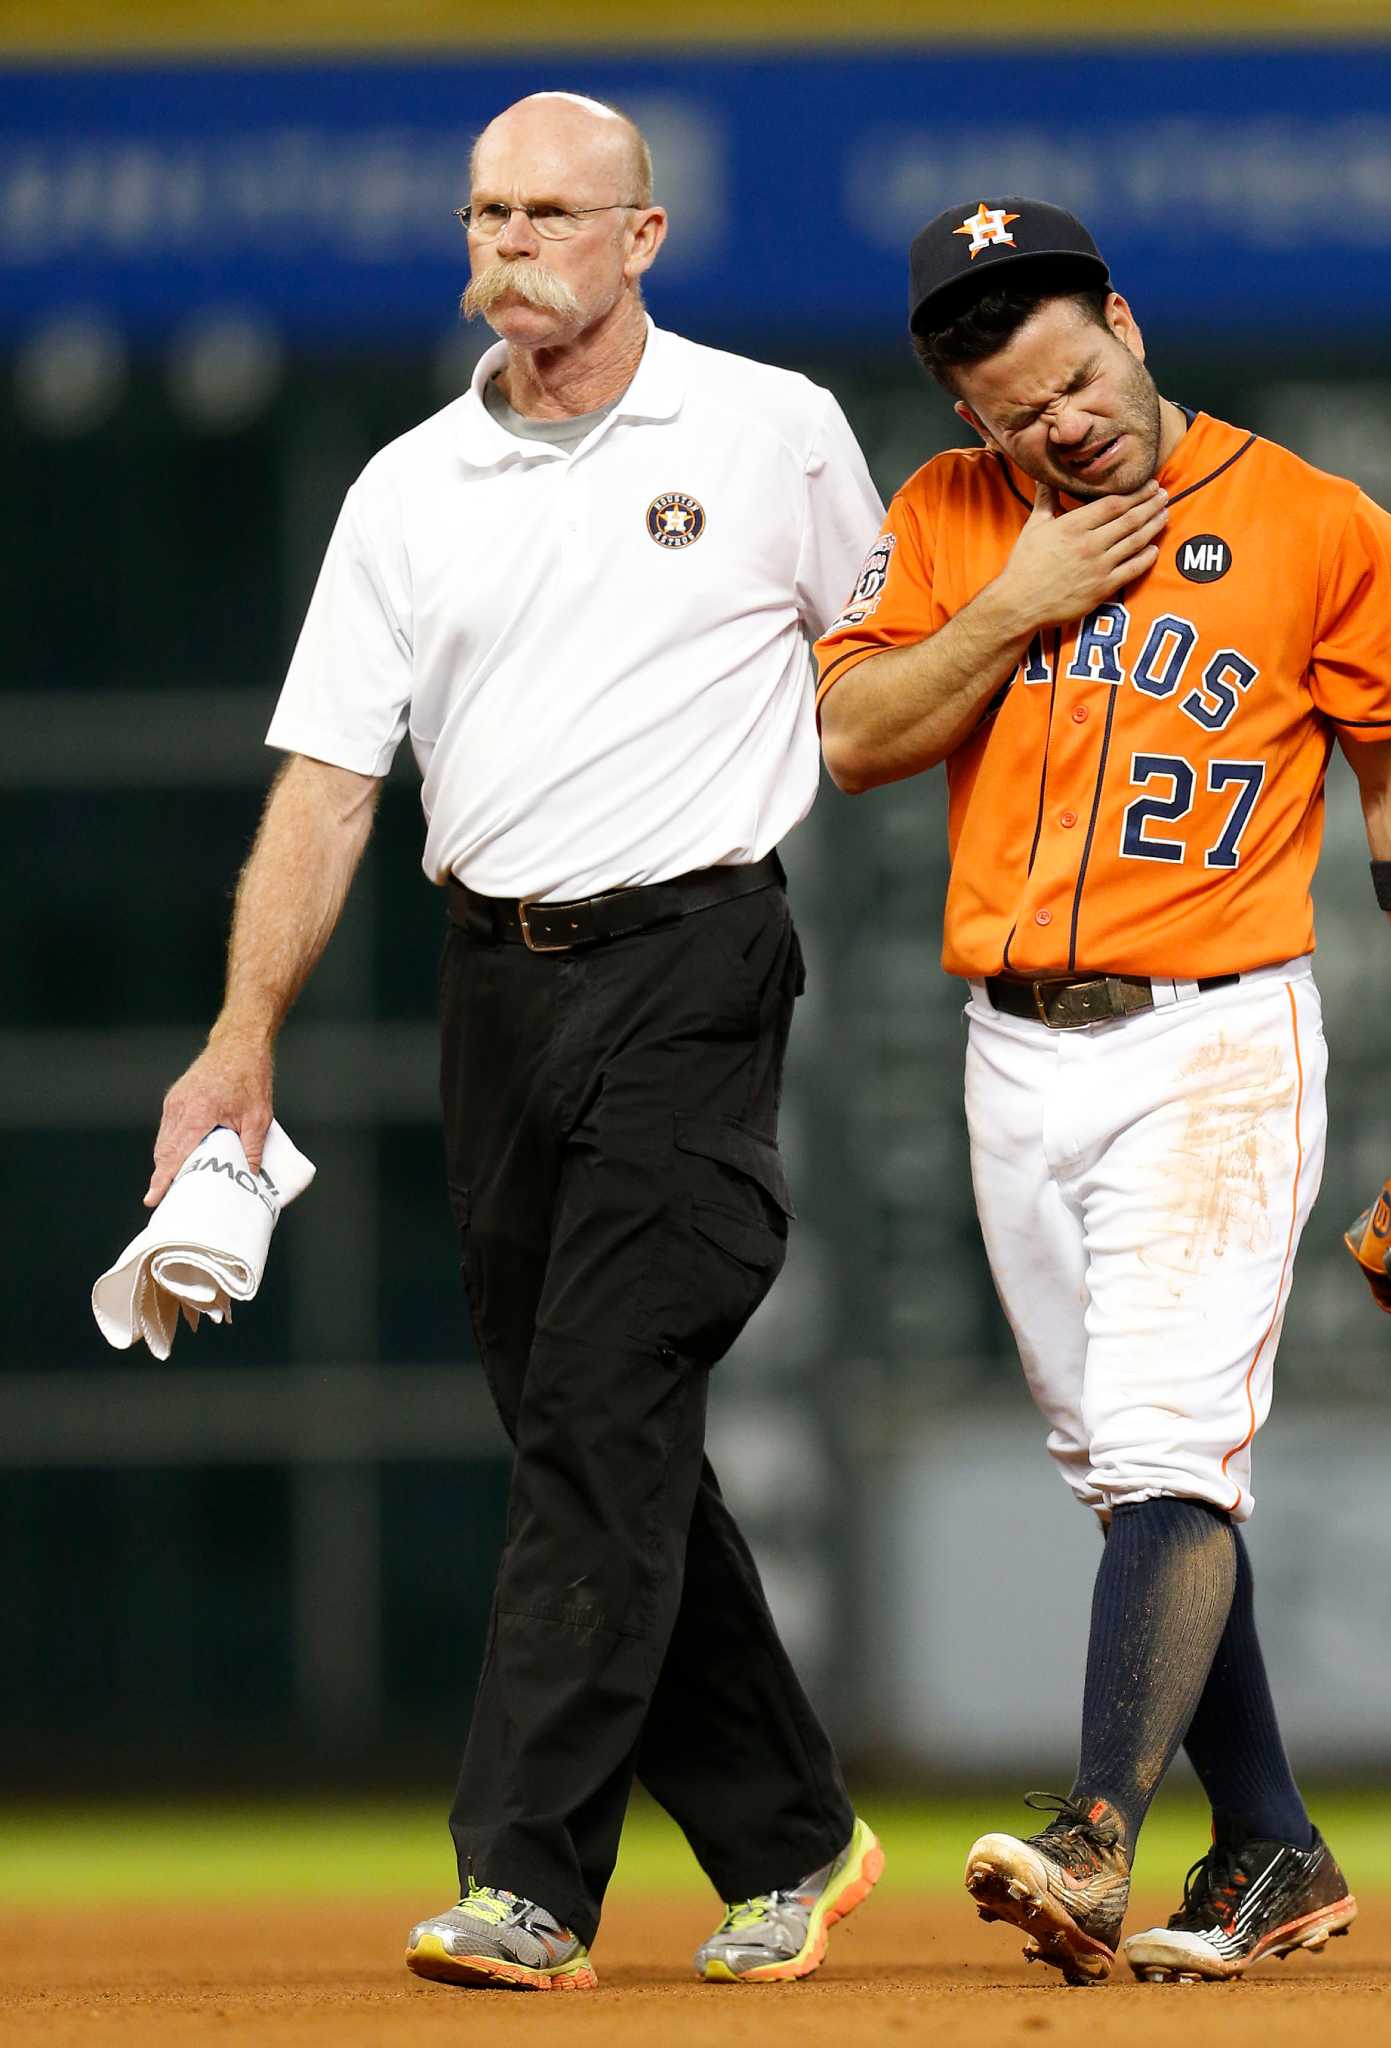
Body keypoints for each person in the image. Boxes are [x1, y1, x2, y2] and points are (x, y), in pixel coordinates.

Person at [147, 91, 885, 1993]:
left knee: (596, 1411)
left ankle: (529, 1881)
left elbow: (888, 678)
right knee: (591, 1429)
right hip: (494, 988)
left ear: (643, 240)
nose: (512, 242)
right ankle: (797, 1841)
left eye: (554, 212)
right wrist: (239, 1045)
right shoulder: (406, 486)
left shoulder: (770, 429)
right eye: (488, 211)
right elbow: (324, 787)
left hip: (698, 963)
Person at [814, 197, 1391, 1986]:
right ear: (969, 419)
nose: (1056, 423)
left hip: (1215, 1035)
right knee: (1132, 1474)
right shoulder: (950, 519)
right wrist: (1019, 600)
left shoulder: (1312, 522)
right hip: (1010, 1048)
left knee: (1160, 1446)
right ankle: (1273, 1843)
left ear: (1124, 326)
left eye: (1070, 373)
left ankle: (1092, 1838)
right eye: (1009, 408)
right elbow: (852, 739)